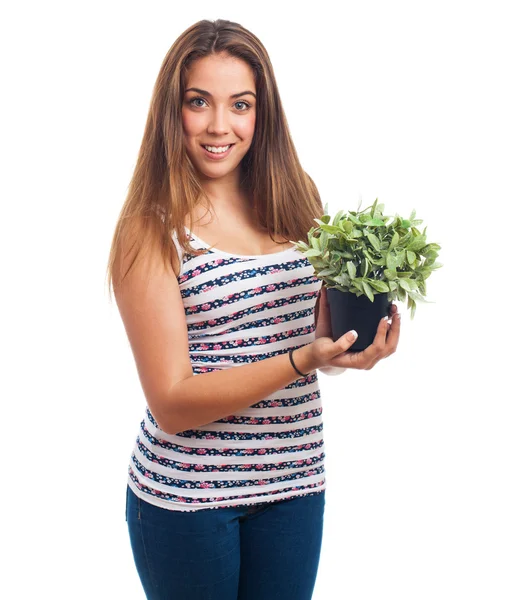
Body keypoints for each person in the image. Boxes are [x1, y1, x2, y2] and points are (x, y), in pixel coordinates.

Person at [106, 18, 400, 600]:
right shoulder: (151, 227)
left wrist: (346, 352)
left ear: (262, 112)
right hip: (190, 499)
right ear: (174, 111)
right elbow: (171, 402)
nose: (220, 126)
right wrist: (301, 359)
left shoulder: (296, 198)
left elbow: (315, 344)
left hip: (294, 483)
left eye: (240, 104)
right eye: (199, 102)